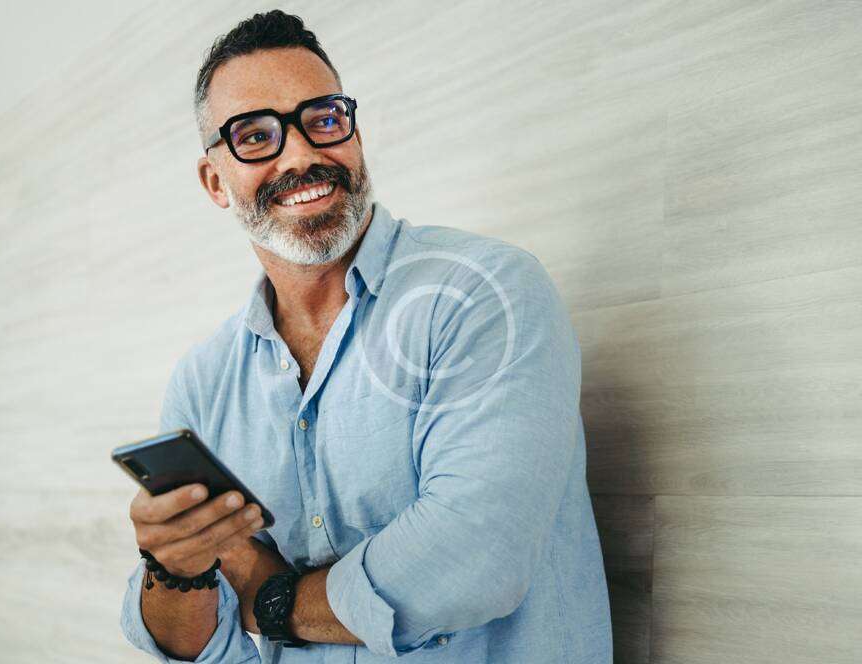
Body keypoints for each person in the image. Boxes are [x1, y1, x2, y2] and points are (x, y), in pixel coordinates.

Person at [119, 9, 613, 663]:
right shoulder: (202, 383)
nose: (302, 154)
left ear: (355, 131)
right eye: (255, 136)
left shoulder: (485, 293)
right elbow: (193, 641)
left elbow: (474, 560)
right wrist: (174, 568)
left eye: (323, 119)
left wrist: (272, 598)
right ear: (216, 182)